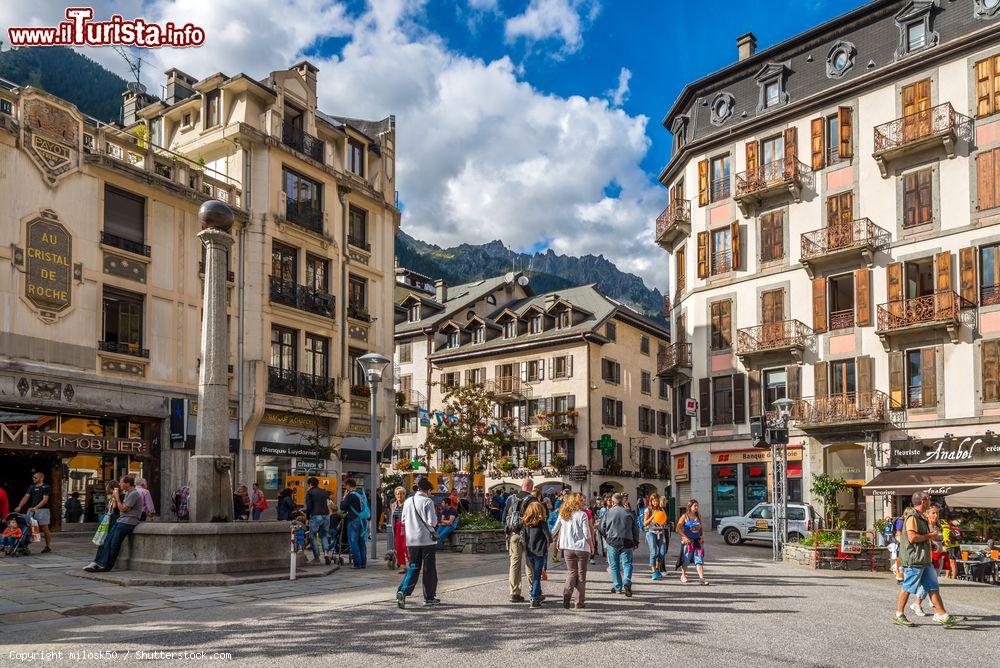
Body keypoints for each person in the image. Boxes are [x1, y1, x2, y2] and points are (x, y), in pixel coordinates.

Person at [893, 492, 963, 628]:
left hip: (925, 559)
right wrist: (930, 535)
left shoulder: (920, 517)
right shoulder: (912, 517)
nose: (930, 502)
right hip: (915, 559)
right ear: (923, 501)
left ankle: (942, 615)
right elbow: (912, 537)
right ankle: (899, 614)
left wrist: (931, 543)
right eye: (929, 499)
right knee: (908, 587)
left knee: (933, 587)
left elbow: (921, 537)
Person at [396, 477, 439, 609]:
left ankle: (403, 590)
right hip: (426, 540)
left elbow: (403, 520)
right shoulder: (428, 501)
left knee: (414, 566)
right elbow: (432, 522)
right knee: (429, 569)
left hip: (411, 540)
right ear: (428, 490)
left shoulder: (408, 501)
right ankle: (429, 597)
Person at [84, 476, 142, 572]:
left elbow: (123, 509)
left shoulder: (134, 494)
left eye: (121, 482)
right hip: (121, 520)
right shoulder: (128, 493)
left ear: (127, 484)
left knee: (115, 543)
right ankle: (100, 563)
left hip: (128, 522)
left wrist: (117, 498)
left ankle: (107, 566)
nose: (119, 484)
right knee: (107, 541)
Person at [553, 492, 593, 609]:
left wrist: (550, 540)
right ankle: (579, 602)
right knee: (581, 575)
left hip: (568, 548)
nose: (583, 502)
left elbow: (555, 529)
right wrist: (592, 546)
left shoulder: (563, 514)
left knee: (571, 572)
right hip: (581, 548)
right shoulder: (582, 515)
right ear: (576, 502)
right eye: (581, 500)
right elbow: (586, 533)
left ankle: (567, 593)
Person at [503, 479, 539, 603]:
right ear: (531, 487)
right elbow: (537, 519)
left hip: (513, 534)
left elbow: (504, 518)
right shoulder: (533, 500)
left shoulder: (511, 499)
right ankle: (533, 591)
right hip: (528, 535)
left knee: (514, 563)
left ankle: (514, 593)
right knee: (530, 564)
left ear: (521, 486)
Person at [601, 493, 641, 597]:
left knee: (614, 565)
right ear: (622, 501)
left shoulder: (608, 512)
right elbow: (635, 529)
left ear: (613, 502)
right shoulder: (629, 512)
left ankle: (617, 587)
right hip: (627, 541)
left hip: (612, 541)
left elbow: (602, 528)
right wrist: (636, 542)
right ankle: (626, 581)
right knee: (627, 564)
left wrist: (607, 537)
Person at [521, 501, 552, 608]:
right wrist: (547, 546)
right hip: (540, 552)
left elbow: (524, 538)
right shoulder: (542, 524)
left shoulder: (526, 524)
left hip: (530, 552)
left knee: (535, 574)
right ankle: (534, 598)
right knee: (537, 576)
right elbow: (549, 538)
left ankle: (538, 594)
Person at [15, 472, 52, 553]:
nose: (33, 479)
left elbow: (45, 499)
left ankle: (48, 546)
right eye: (33, 477)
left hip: (43, 510)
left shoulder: (46, 487)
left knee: (44, 528)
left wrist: (36, 507)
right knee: (27, 527)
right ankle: (24, 546)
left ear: (41, 478)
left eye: (35, 477)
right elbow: (26, 497)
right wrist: (19, 506)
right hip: (32, 510)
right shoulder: (31, 487)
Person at [676, 499, 708, 585]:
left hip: (698, 542)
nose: (697, 507)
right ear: (690, 507)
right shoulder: (685, 516)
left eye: (697, 506)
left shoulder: (698, 516)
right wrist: (684, 537)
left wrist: (702, 536)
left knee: (699, 559)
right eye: (695, 506)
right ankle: (683, 576)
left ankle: (701, 578)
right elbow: (678, 528)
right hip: (688, 542)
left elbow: (701, 528)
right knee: (686, 559)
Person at [340, 478, 368, 568]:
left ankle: (357, 563)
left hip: (354, 520)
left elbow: (342, 507)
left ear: (348, 485)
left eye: (345, 486)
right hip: (363, 520)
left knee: (353, 542)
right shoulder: (362, 493)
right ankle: (363, 563)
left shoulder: (350, 495)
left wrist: (344, 498)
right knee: (361, 542)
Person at [304, 477, 333, 565]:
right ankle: (326, 554)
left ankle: (316, 557)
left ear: (310, 484)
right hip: (326, 515)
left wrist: (307, 518)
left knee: (312, 536)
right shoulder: (324, 492)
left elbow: (309, 507)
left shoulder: (310, 493)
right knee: (324, 535)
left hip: (316, 515)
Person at [643, 493, 669, 580]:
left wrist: (663, 522)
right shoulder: (648, 510)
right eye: (654, 501)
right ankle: (653, 571)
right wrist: (653, 516)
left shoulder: (661, 509)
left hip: (660, 532)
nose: (655, 502)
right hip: (651, 532)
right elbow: (645, 523)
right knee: (653, 552)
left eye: (657, 501)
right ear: (651, 501)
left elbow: (664, 520)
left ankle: (657, 568)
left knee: (662, 552)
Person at [390, 486, 410, 571]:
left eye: (401, 494)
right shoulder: (393, 505)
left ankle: (412, 563)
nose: (399, 496)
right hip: (397, 527)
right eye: (397, 494)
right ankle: (403, 566)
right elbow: (392, 516)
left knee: (405, 546)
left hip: (406, 526)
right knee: (398, 547)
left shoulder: (408, 504)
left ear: (404, 494)